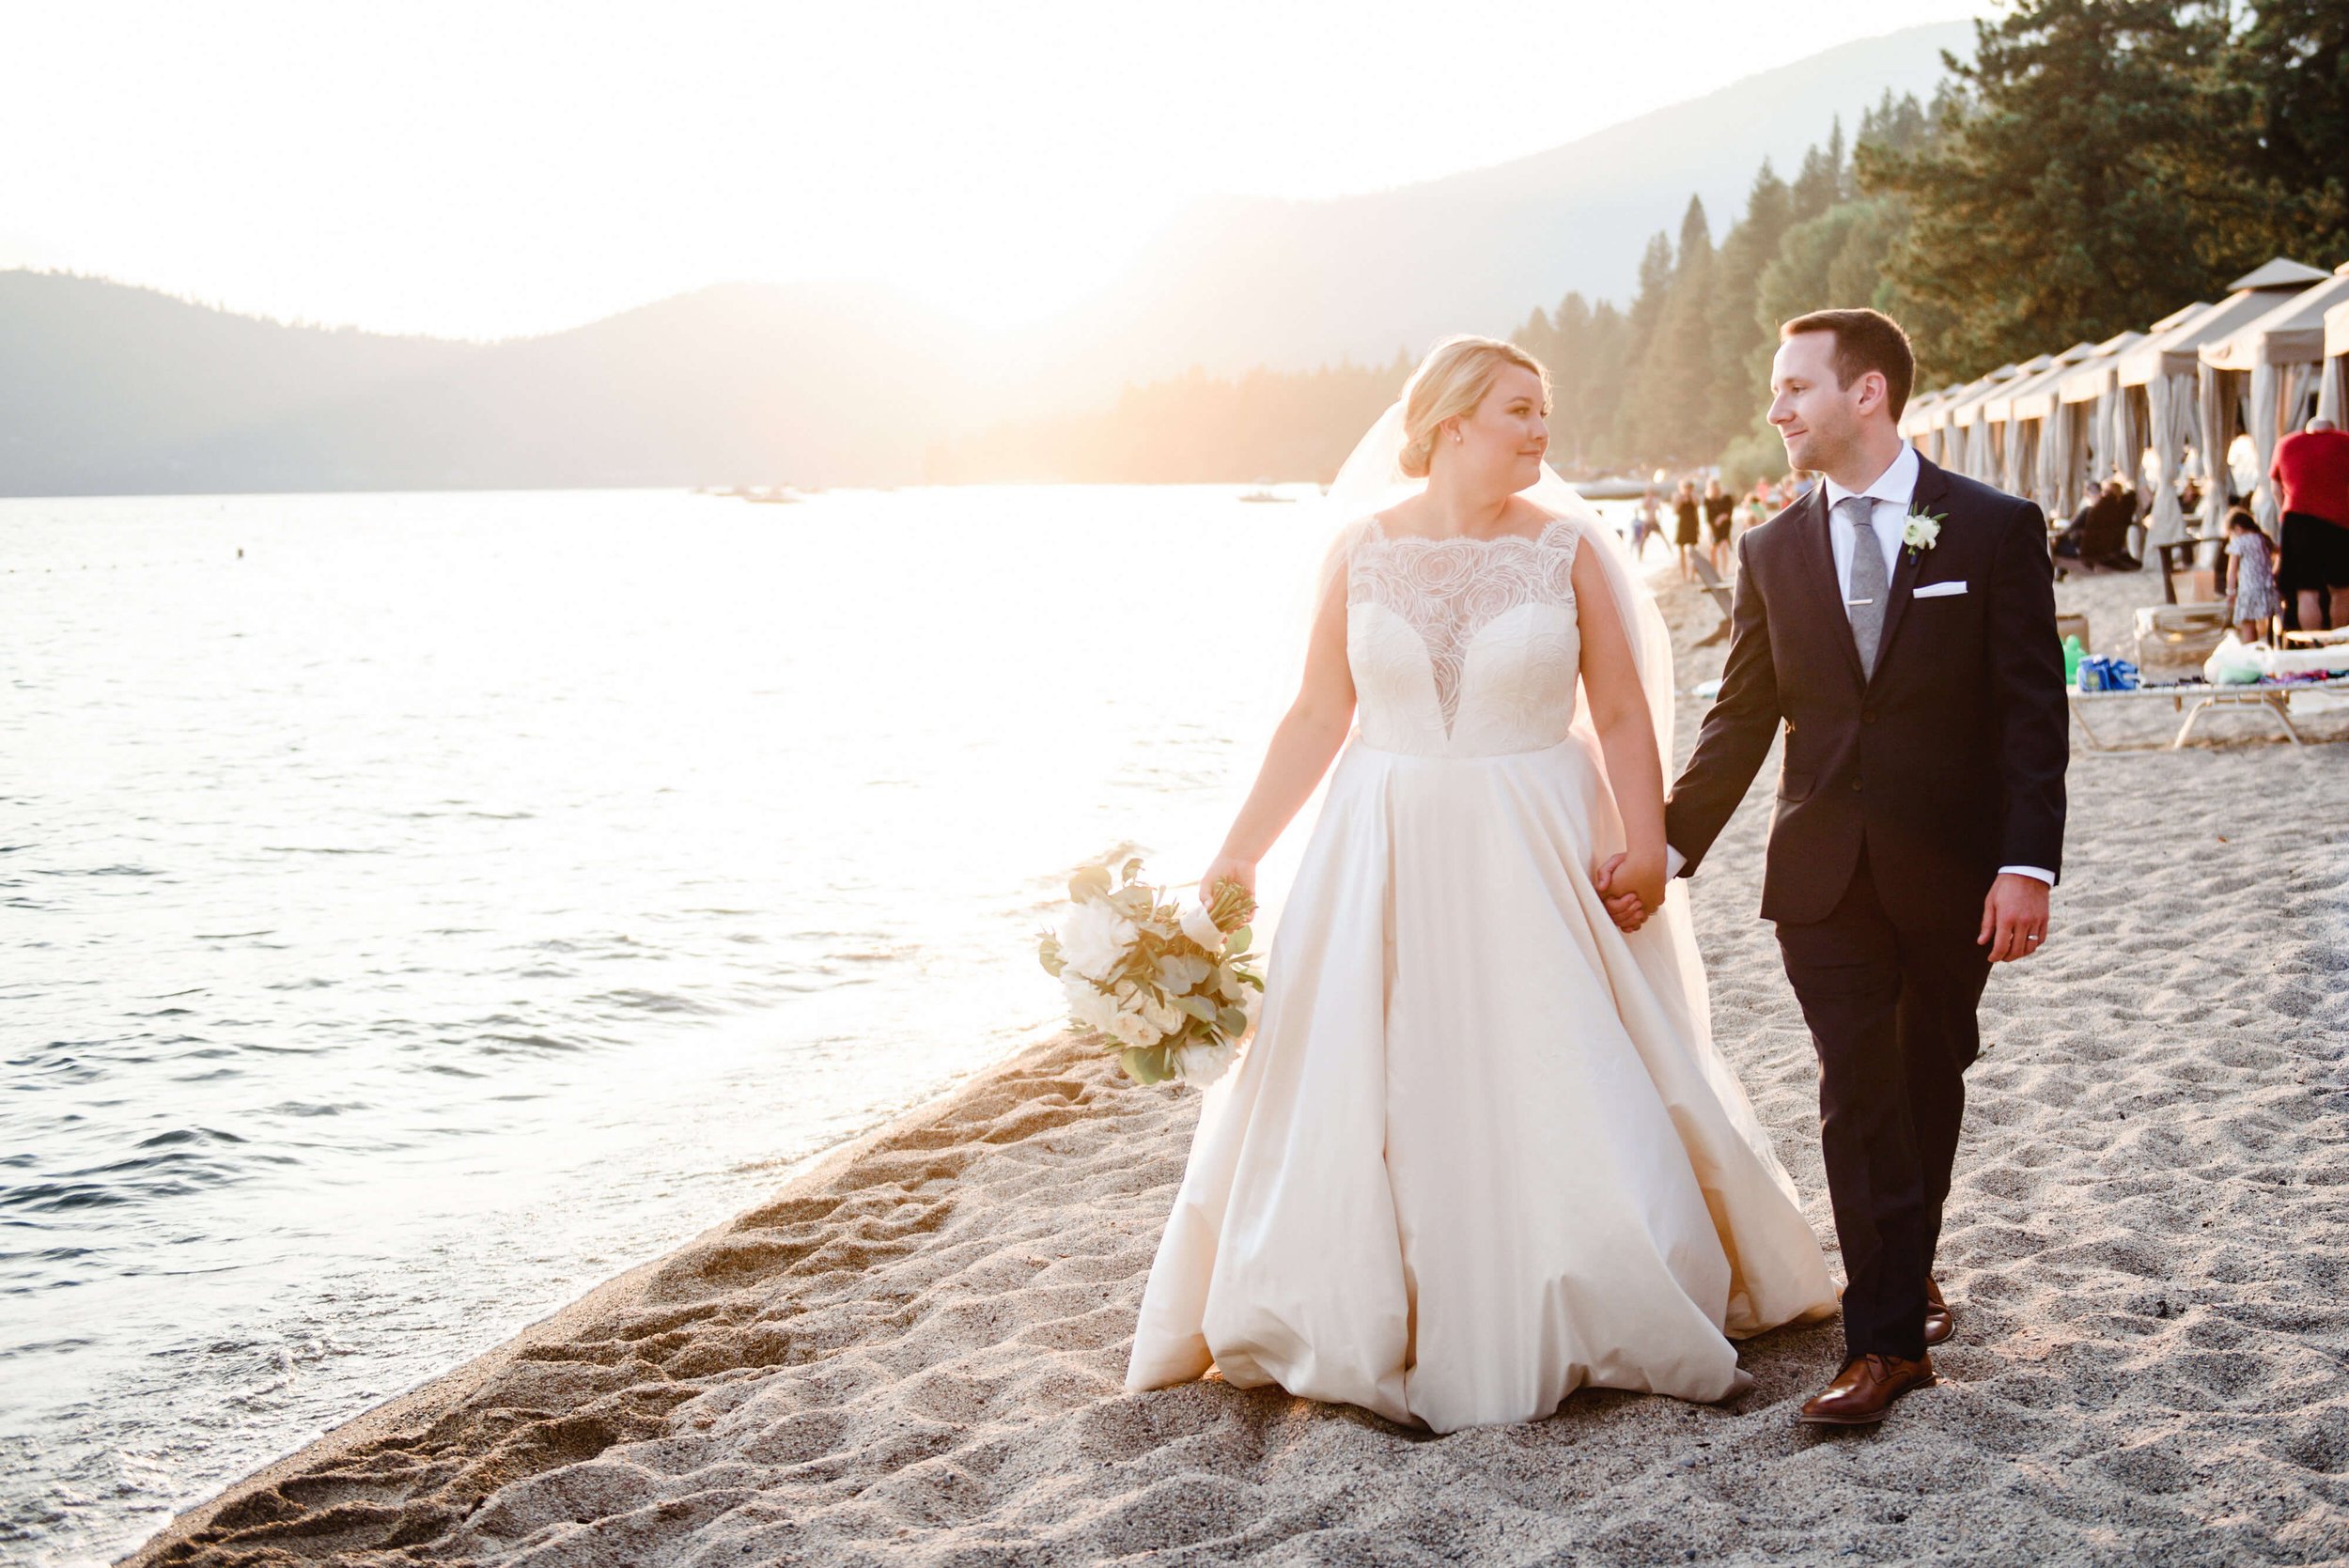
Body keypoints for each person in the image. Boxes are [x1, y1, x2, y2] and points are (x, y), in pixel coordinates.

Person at [1125, 335, 1837, 1434]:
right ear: (1452, 420)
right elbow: (1319, 716)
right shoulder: (1360, 551)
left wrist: (1646, 843)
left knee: (1558, 1060)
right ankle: (1358, 1304)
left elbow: (1619, 716)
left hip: (1533, 841)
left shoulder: (1564, 551)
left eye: (1543, 412)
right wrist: (1239, 851)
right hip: (1381, 843)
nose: (1540, 432)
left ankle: (1592, 1281)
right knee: (1369, 1071)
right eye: (1520, 409)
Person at [1627, 308, 2068, 1427]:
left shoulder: (1991, 525)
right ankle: (1882, 1347)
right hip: (1818, 874)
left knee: (1931, 1076)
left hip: (1955, 873)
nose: (1775, 411)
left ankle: (1901, 1258)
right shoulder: (1770, 548)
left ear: (1864, 393)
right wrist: (1667, 846)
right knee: (1855, 1090)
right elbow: (1742, 716)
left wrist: (2027, 864)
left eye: (1793, 389)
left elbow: (2030, 714)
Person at [2271, 415, 2349, 632]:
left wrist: (2284, 514)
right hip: (2339, 522)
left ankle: (2314, 646)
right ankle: (2339, 642)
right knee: (2341, 590)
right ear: (2332, 430)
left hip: (2298, 521)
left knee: (2306, 590)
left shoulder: (2285, 444)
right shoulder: (2344, 441)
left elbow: (2276, 489)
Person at [2225, 507, 2280, 644]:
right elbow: (2280, 552)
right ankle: (2272, 648)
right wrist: (2275, 570)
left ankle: (2251, 653)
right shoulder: (2263, 538)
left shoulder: (2239, 542)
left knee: (2247, 623)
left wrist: (2230, 591)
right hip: (2267, 588)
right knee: (2270, 622)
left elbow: (2232, 570)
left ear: (2237, 528)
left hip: (2248, 589)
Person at [1703, 477, 1736, 577]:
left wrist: (1721, 517)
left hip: (1725, 527)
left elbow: (1729, 512)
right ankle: (1715, 572)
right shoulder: (1708, 500)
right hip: (1713, 527)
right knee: (1712, 549)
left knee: (1723, 547)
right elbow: (1708, 518)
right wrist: (1710, 531)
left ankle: (1724, 571)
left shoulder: (1726, 498)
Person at [1672, 478, 1703, 582]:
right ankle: (1684, 575)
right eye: (1686, 488)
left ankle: (1692, 576)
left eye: (1690, 488)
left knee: (1693, 552)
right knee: (1681, 552)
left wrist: (1699, 528)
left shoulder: (1694, 497)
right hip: (1682, 526)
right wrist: (1681, 499)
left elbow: (1697, 507)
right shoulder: (1678, 497)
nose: (1688, 490)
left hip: (1692, 525)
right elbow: (1675, 511)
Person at [1630, 485, 1662, 561]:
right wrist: (1648, 501)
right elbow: (1642, 508)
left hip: (1654, 522)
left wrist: (1659, 519)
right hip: (1647, 522)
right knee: (1643, 539)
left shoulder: (1655, 501)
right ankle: (1640, 556)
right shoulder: (1645, 500)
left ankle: (1671, 552)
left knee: (1663, 537)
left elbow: (1660, 510)